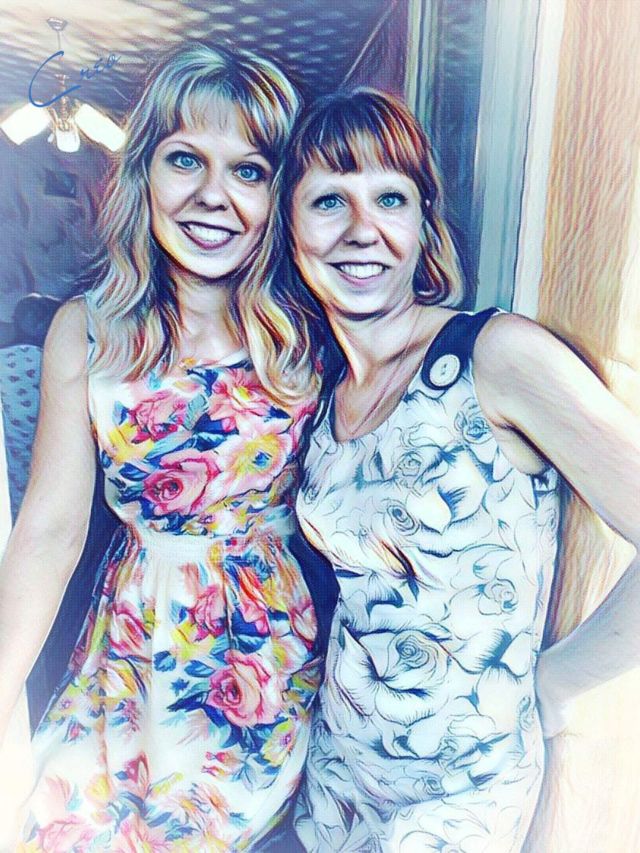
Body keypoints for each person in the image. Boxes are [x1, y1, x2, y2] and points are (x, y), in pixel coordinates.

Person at [263, 88, 640, 852]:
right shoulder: (328, 396)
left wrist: (558, 681)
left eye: (390, 199)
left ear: (422, 223)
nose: (363, 229)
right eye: (329, 201)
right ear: (291, 231)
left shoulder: (494, 357)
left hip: (458, 799)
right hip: (336, 780)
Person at [0, 43, 325, 851]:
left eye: (249, 171)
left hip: (263, 658)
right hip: (124, 649)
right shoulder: (86, 330)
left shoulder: (314, 333)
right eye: (186, 159)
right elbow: (50, 532)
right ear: (144, 170)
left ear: (279, 193)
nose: (214, 195)